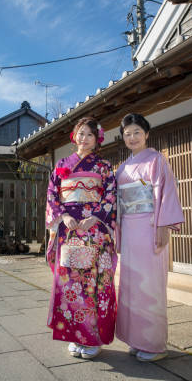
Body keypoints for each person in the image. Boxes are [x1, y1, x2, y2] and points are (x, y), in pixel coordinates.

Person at [45, 117, 118, 360]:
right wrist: (63, 216)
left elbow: (110, 196)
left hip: (93, 231)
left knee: (91, 282)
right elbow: (53, 196)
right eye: (81, 133)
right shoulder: (62, 164)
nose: (84, 138)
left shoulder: (104, 166)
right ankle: (75, 335)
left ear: (97, 139)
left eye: (89, 134)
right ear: (74, 135)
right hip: (69, 229)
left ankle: (93, 338)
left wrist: (96, 218)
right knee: (70, 283)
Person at [115, 113, 184, 362]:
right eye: (127, 134)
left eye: (136, 132)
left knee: (151, 286)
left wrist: (163, 225)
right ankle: (136, 339)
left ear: (146, 134)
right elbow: (117, 204)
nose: (132, 137)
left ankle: (154, 344)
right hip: (129, 229)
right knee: (131, 286)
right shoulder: (122, 168)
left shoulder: (157, 160)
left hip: (149, 225)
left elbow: (167, 192)